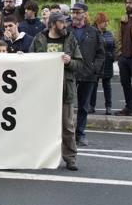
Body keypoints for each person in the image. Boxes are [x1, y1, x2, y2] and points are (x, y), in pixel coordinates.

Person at [30, 13, 83, 171]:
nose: (65, 25)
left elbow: (80, 63)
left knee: (67, 125)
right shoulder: (39, 39)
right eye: (62, 22)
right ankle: (40, 156)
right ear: (53, 24)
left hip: (64, 89)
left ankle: (71, 158)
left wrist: (69, 62)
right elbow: (30, 59)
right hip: (44, 89)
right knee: (42, 124)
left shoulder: (70, 39)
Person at [69, 3, 105, 147]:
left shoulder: (93, 32)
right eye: (74, 12)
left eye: (78, 12)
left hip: (88, 74)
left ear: (85, 14)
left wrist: (94, 68)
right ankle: (68, 133)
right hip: (70, 72)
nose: (75, 15)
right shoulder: (66, 30)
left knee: (84, 106)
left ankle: (81, 133)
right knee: (67, 105)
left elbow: (101, 53)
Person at [91, 12, 115, 115]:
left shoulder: (109, 33)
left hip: (108, 62)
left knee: (107, 85)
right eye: (104, 21)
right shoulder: (92, 32)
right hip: (97, 62)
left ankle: (108, 107)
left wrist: (113, 56)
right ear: (98, 22)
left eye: (107, 21)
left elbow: (114, 46)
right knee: (93, 84)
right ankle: (91, 105)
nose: (106, 23)